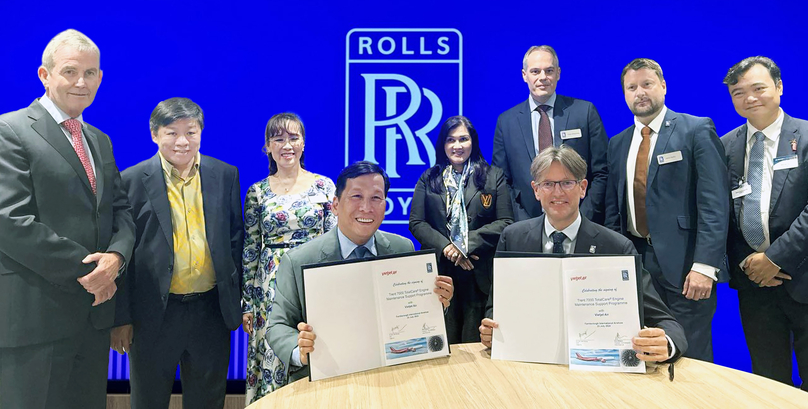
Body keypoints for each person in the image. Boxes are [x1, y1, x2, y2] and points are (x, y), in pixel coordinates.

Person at [0, 29, 135, 409]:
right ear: (45, 75)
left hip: (91, 322)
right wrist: (92, 273)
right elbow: (9, 222)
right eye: (70, 71)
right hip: (34, 322)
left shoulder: (99, 139)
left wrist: (117, 260)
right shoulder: (9, 131)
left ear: (101, 78)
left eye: (90, 73)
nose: (81, 82)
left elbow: (120, 212)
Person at [480, 146, 687, 364]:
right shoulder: (513, 239)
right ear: (536, 190)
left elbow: (665, 321)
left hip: (597, 370)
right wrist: (491, 329)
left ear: (583, 188)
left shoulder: (616, 247)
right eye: (548, 184)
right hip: (529, 366)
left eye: (567, 183)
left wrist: (667, 344)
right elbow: (497, 308)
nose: (558, 192)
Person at [268, 161, 455, 384]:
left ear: (385, 205)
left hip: (392, 376)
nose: (366, 207)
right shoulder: (298, 260)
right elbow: (277, 325)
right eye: (356, 196)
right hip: (325, 381)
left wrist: (435, 304)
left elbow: (411, 317)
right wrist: (300, 350)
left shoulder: (403, 249)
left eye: (376, 198)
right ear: (335, 205)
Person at [109, 98, 243, 408]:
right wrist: (121, 317)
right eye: (171, 133)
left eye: (191, 132)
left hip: (211, 313)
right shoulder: (131, 181)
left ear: (201, 133)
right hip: (154, 314)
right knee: (148, 401)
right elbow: (121, 253)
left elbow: (235, 240)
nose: (182, 142)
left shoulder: (225, 174)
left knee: (208, 402)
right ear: (154, 134)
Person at [604, 58, 729, 362]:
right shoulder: (618, 143)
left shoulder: (696, 129)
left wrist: (705, 266)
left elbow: (715, 204)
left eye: (647, 84)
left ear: (663, 86)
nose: (640, 93)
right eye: (631, 87)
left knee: (692, 358)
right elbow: (613, 209)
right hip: (635, 266)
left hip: (686, 268)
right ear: (624, 94)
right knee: (644, 354)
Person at [721, 56, 808, 390]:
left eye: (758, 88)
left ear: (780, 87)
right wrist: (749, 261)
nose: (750, 98)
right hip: (755, 285)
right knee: (769, 385)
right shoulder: (725, 147)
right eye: (739, 92)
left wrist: (775, 259)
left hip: (803, 276)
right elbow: (720, 214)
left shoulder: (806, 137)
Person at [242, 113, 337, 402]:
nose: (287, 145)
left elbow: (334, 243)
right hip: (268, 289)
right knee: (273, 354)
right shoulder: (257, 192)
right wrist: (247, 303)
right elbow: (250, 250)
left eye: (293, 138)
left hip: (313, 283)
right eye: (278, 139)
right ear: (267, 147)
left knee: (315, 352)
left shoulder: (324, 186)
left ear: (304, 143)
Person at [410, 115, 513, 343]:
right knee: (441, 341)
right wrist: (448, 247)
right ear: (443, 144)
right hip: (441, 271)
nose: (457, 146)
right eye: (450, 140)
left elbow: (506, 222)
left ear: (473, 142)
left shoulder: (493, 176)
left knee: (475, 345)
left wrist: (464, 244)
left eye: (463, 139)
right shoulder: (429, 178)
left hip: (478, 271)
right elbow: (417, 223)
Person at [493, 45, 608, 224]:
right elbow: (503, 182)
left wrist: (582, 217)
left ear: (558, 73)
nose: (542, 78)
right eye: (535, 71)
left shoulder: (584, 112)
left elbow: (602, 172)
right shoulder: (506, 122)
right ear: (524, 75)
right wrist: (524, 225)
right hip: (526, 228)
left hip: (581, 223)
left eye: (549, 71)